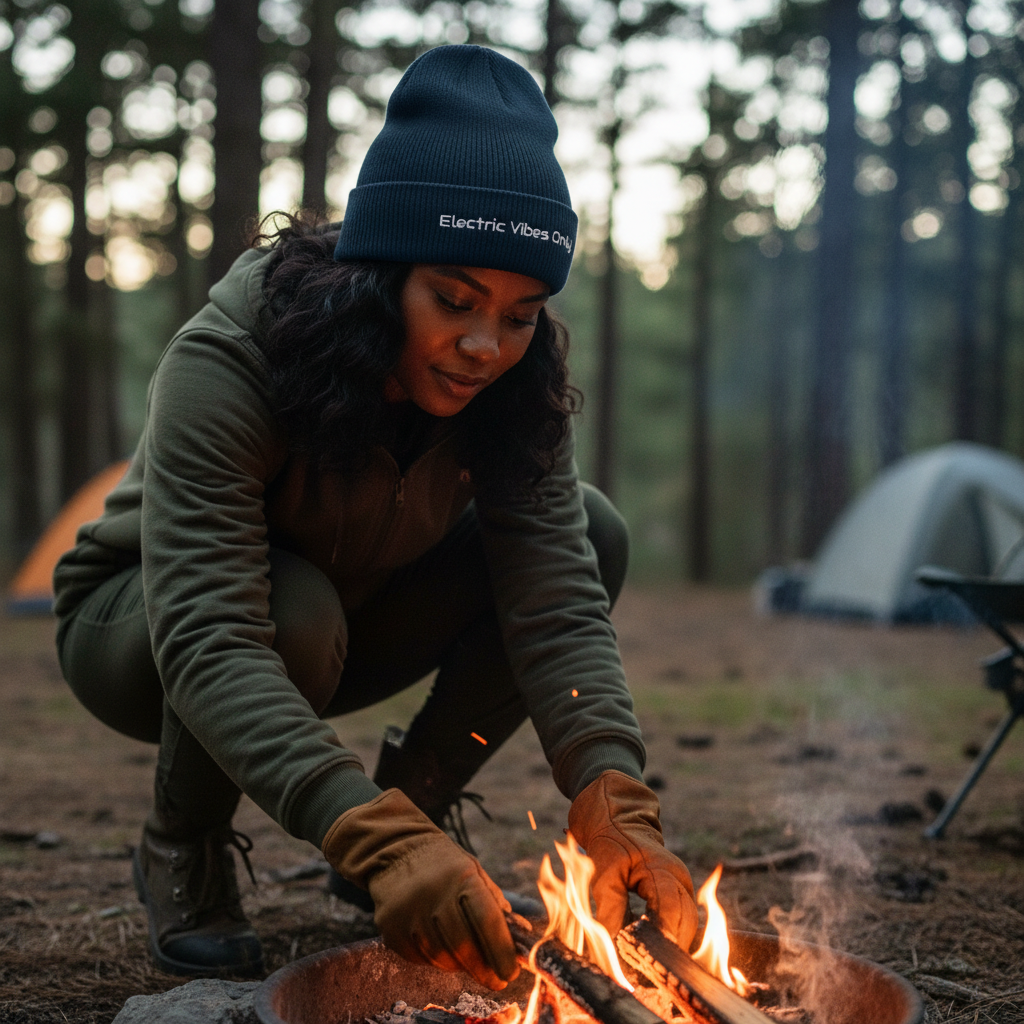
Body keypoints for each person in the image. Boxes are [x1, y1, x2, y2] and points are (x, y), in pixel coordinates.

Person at [53, 44, 698, 989]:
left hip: (353, 616)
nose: (485, 345)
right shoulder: (234, 357)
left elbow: (557, 599)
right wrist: (370, 839)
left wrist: (614, 790)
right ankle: (181, 847)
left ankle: (419, 804)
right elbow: (210, 636)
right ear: (380, 272)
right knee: (291, 610)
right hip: (148, 627)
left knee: (595, 532)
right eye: (454, 299)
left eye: (520, 315)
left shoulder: (516, 391)